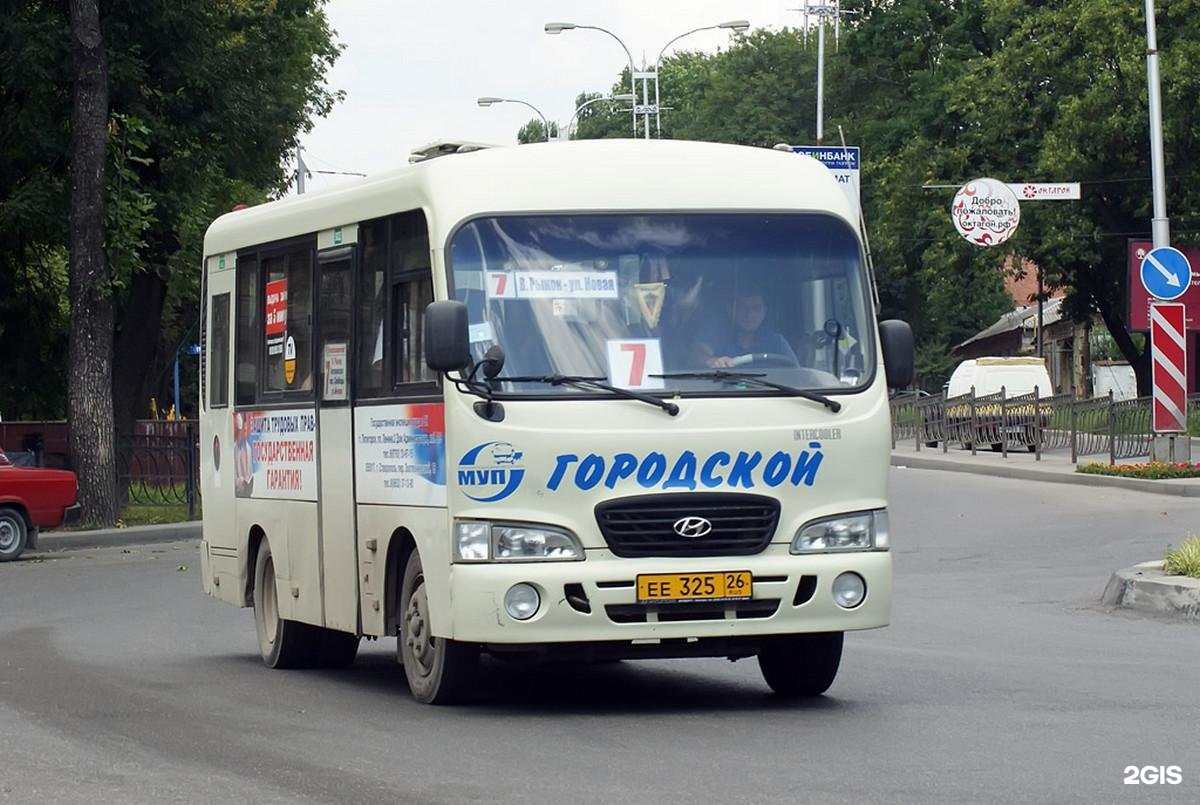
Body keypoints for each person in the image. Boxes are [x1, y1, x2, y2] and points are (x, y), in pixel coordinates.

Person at [695, 286, 796, 369]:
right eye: (742, 307)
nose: (749, 314)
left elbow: (797, 375)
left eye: (756, 308)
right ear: (731, 310)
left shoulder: (777, 342)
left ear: (764, 312)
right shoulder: (717, 336)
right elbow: (697, 354)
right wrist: (712, 361)